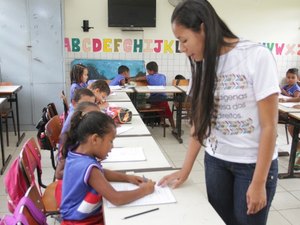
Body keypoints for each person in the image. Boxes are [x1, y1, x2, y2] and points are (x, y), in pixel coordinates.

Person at [158, 1, 279, 225]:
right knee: (220, 221)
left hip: (252, 165)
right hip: (216, 162)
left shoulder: (256, 56)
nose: (182, 48)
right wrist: (185, 170)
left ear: (202, 28)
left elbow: (271, 126)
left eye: (184, 40)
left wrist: (259, 181)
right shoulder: (201, 64)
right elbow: (198, 124)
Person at [60, 110, 155, 224]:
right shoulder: (88, 167)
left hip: (76, 216)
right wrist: (145, 190)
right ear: (95, 139)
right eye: (110, 141)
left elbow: (101, 173)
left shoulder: (76, 153)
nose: (112, 147)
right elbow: (117, 199)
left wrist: (128, 177)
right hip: (82, 222)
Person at [137, 61, 176, 130]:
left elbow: (137, 79)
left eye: (148, 70)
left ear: (151, 71)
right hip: (163, 99)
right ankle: (173, 127)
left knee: (142, 101)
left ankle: (161, 121)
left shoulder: (148, 77)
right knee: (168, 113)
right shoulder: (163, 76)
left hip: (153, 100)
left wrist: (129, 79)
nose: (147, 72)